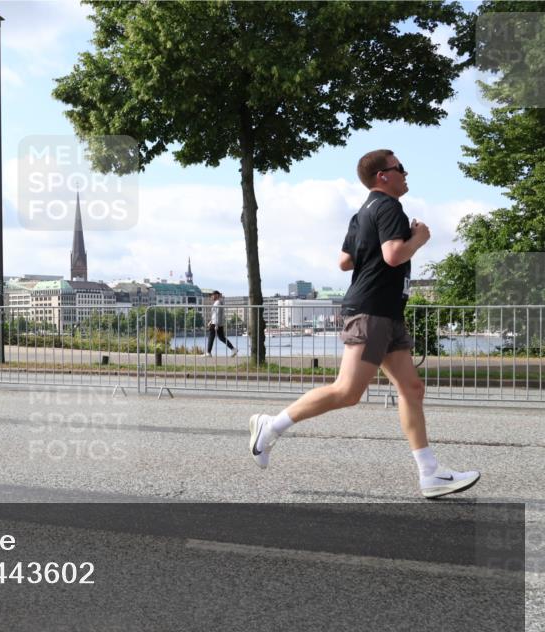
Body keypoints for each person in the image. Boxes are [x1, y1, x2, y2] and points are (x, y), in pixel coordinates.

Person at [248, 150, 479, 499]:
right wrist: (419, 238)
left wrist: (377, 247)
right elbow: (394, 255)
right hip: (372, 312)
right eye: (400, 167)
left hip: (386, 312)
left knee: (412, 388)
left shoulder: (362, 213)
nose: (405, 172)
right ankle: (271, 427)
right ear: (383, 176)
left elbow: (344, 261)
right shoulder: (388, 208)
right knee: (347, 391)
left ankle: (430, 474)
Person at [205, 290, 237, 357]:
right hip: (218, 323)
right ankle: (233, 349)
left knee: (211, 336)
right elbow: (216, 314)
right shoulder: (218, 302)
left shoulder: (217, 303)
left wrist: (215, 324)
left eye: (212, 295)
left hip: (216, 323)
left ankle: (208, 352)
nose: (211, 296)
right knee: (221, 337)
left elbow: (217, 314)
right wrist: (211, 321)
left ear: (216, 295)